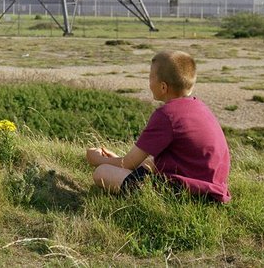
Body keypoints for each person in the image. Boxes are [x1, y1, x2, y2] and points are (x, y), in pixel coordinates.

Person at [86, 50, 231, 203]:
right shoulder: (199, 107)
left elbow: (128, 163)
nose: (149, 82)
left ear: (163, 87)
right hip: (212, 189)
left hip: (187, 194)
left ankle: (149, 197)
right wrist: (117, 159)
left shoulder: (166, 115)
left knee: (102, 172)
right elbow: (135, 162)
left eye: (150, 77)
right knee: (150, 163)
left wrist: (97, 160)